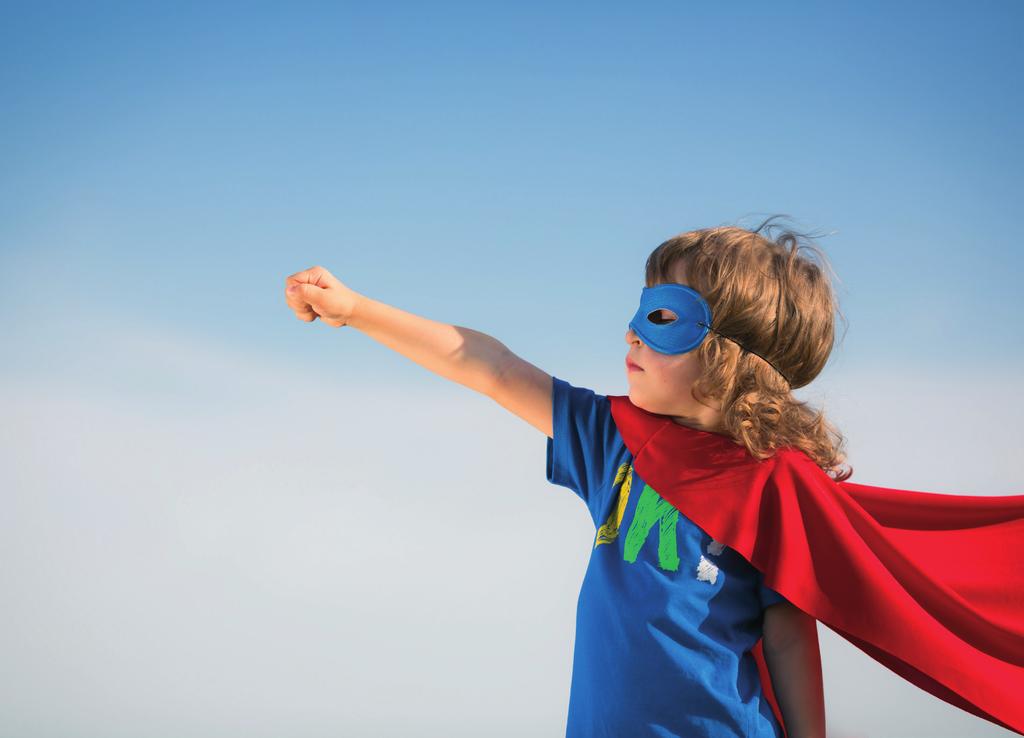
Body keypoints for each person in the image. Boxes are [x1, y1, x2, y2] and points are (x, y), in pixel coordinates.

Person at [283, 216, 1024, 738]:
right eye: (638, 309)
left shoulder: (771, 483)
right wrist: (355, 310)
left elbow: (789, 629)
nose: (631, 331)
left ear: (727, 355)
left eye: (663, 316)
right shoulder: (613, 442)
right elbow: (487, 365)